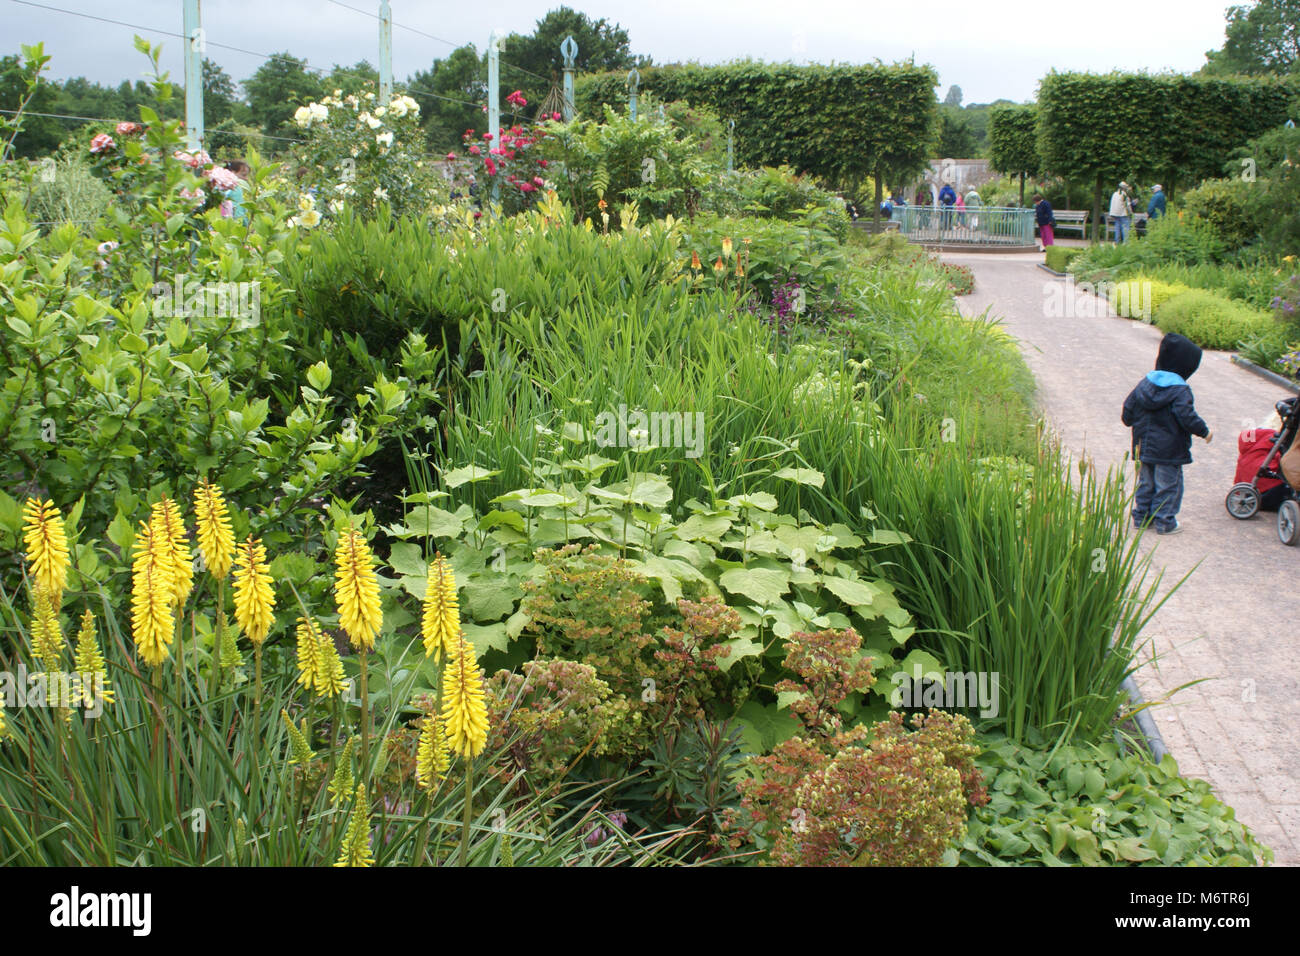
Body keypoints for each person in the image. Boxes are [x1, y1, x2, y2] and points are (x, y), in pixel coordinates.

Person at [1122, 332, 1213, 535]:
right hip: (1169, 450)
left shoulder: (1145, 383)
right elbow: (1186, 416)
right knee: (1168, 485)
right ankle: (1165, 522)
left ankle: (1141, 517)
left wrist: (1130, 420)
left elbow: (1128, 409)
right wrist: (1204, 431)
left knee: (1146, 482)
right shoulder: (1180, 391)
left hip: (1143, 445)